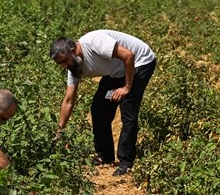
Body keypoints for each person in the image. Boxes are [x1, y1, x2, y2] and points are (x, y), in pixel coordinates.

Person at [51, 30, 157, 176]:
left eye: (64, 61)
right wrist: (59, 131)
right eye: (60, 64)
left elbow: (128, 55)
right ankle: (105, 156)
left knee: (128, 110)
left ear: (72, 50)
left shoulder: (95, 42)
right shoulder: (74, 67)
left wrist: (126, 87)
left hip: (139, 62)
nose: (64, 66)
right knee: (98, 109)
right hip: (116, 72)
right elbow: (68, 100)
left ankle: (126, 162)